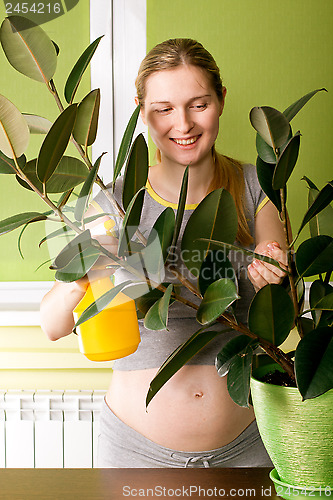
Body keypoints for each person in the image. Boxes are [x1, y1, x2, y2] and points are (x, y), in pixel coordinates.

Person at [40, 38, 288, 468]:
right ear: (141, 110)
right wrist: (82, 272)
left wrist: (271, 266)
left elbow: (277, 265)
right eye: (165, 109)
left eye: (198, 104)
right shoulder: (113, 202)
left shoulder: (254, 187)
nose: (184, 124)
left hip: (250, 443)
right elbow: (52, 326)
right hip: (138, 450)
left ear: (221, 100)